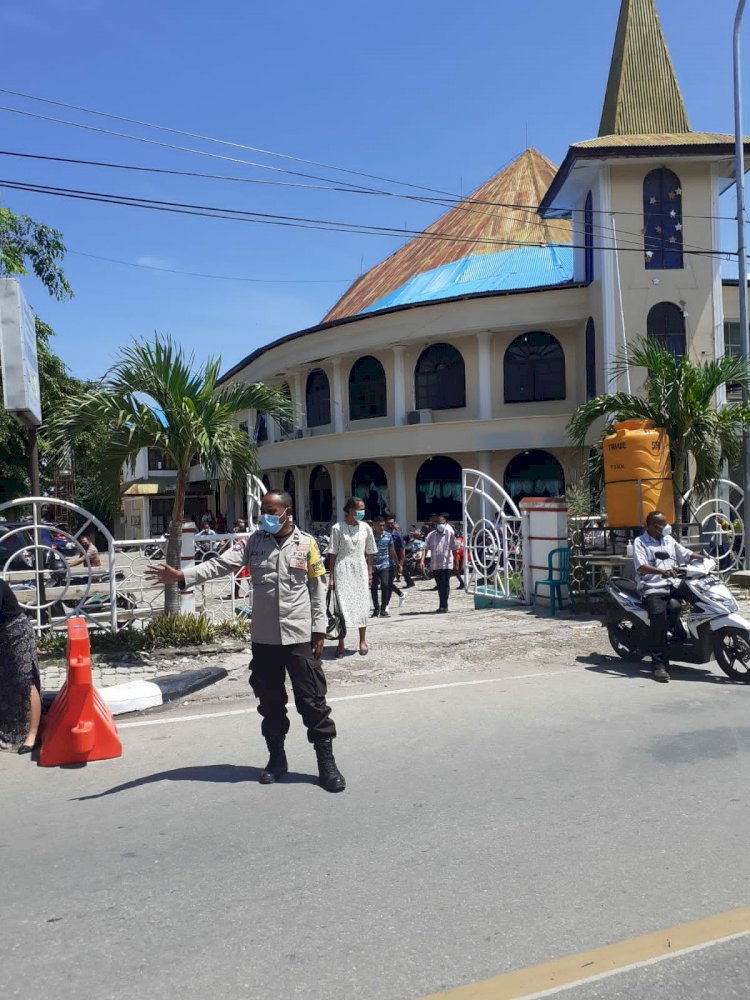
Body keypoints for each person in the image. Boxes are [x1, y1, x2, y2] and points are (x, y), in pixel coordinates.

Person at [146, 491, 345, 792]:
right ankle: (277, 760)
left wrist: (319, 631)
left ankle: (326, 764)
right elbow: (220, 565)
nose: (265, 514)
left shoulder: (308, 544)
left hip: (299, 636)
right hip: (264, 639)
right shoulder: (254, 542)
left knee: (313, 702)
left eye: (271, 510)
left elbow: (318, 588)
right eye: (263, 509)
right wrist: (181, 576)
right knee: (270, 704)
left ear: (287, 513)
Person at [633, 510, 704, 683]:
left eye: (666, 523)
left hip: (674, 583)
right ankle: (658, 665)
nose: (666, 527)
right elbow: (641, 566)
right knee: (658, 617)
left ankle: (689, 637)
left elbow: (685, 553)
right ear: (651, 526)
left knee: (701, 597)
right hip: (653, 586)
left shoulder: (669, 539)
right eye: (662, 524)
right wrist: (662, 571)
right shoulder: (640, 542)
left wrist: (704, 558)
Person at [328, 498, 377, 657]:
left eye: (363, 509)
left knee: (362, 606)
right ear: (349, 510)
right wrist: (331, 578)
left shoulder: (366, 528)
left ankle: (362, 640)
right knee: (342, 607)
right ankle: (341, 642)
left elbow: (370, 552)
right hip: (342, 569)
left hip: (360, 569)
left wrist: (369, 572)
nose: (362, 513)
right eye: (358, 509)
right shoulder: (337, 528)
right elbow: (333, 554)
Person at [0, 579, 42, 754]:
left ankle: (32, 735)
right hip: (1, 635)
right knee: (4, 684)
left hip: (16, 633)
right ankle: (8, 730)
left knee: (25, 681)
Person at [420, 514, 458, 613]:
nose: (441, 525)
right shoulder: (431, 535)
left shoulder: (450, 534)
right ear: (435, 524)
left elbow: (454, 549)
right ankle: (442, 604)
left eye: (443, 523)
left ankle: (444, 605)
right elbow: (425, 548)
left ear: (445, 523)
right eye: (439, 523)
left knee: (445, 584)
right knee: (439, 585)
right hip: (435, 564)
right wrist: (422, 560)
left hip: (446, 563)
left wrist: (456, 562)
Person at [370, 516, 399, 618]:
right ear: (374, 525)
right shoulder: (369, 537)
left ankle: (383, 608)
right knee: (373, 587)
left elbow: (392, 551)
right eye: (379, 525)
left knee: (386, 585)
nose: (382, 527)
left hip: (385, 564)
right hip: (372, 565)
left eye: (383, 525)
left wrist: (397, 563)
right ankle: (376, 608)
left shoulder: (388, 536)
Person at [385, 515, 408, 606]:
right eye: (388, 523)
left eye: (392, 523)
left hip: (394, 562)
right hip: (383, 561)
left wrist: (400, 564)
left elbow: (402, 551)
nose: (390, 525)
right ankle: (401, 594)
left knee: (387, 584)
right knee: (386, 583)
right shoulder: (383, 533)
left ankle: (385, 605)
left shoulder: (397, 535)